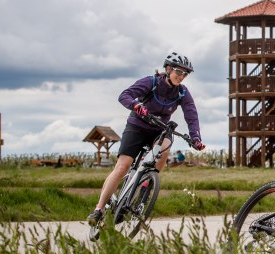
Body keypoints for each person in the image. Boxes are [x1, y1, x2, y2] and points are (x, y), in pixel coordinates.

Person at [87, 52, 205, 226]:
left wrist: (195, 138)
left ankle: (146, 184)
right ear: (168, 69)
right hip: (137, 127)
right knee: (122, 166)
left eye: (185, 74)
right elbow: (124, 95)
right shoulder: (151, 82)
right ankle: (99, 209)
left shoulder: (182, 92)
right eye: (178, 72)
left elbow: (191, 115)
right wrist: (136, 105)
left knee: (165, 148)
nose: (181, 77)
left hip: (159, 129)